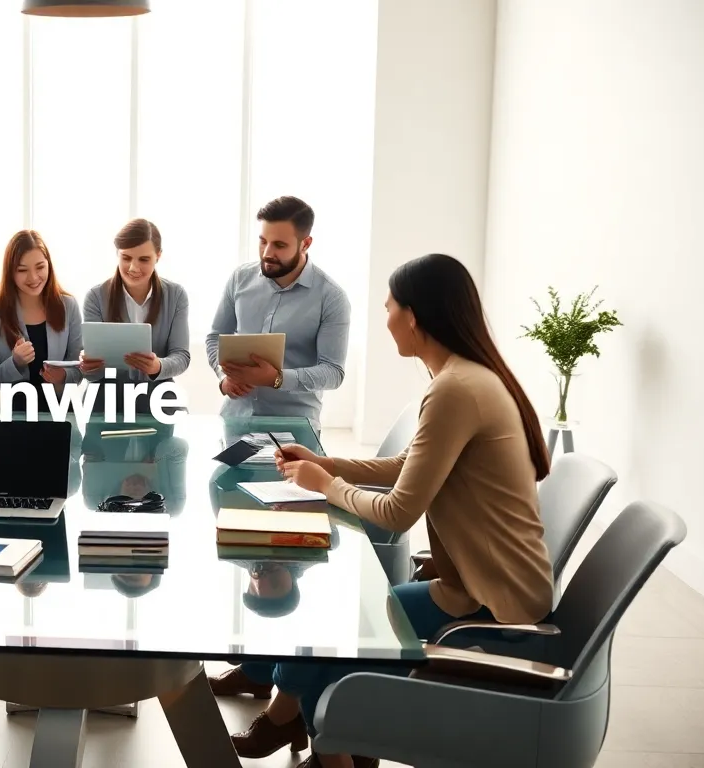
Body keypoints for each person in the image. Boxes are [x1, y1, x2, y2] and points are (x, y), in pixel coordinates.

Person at [211, 253, 554, 768]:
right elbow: (404, 465)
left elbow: (396, 514)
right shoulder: (463, 378)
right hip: (474, 584)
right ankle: (297, 729)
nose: (387, 317)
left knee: (333, 643)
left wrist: (326, 485)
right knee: (324, 627)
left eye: (390, 307)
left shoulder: (456, 389)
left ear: (413, 316)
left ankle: (321, 747)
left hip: (490, 605)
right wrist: (325, 462)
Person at [205, 196, 351, 432]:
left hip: (294, 425)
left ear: (306, 244)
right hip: (235, 419)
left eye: (279, 245)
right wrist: (224, 378)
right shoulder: (239, 279)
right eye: (263, 242)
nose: (267, 253)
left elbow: (333, 372)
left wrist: (278, 378)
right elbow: (215, 337)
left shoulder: (331, 297)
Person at [79, 218, 190, 415]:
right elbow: (92, 373)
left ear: (158, 256)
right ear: (117, 255)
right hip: (105, 402)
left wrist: (158, 366)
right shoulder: (96, 297)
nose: (133, 268)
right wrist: (88, 366)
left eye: (144, 259)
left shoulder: (176, 295)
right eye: (126, 258)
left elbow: (181, 356)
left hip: (158, 401)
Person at [0, 229, 83, 412]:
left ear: (49, 265)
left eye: (40, 267)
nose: (33, 278)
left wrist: (63, 375)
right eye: (22, 270)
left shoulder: (68, 306)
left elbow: (79, 368)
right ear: (10, 272)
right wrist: (14, 363)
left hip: (62, 416)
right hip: (15, 421)